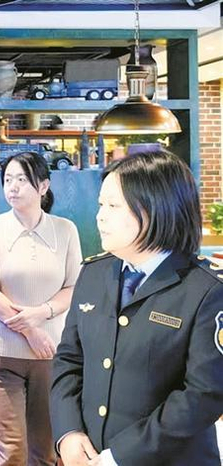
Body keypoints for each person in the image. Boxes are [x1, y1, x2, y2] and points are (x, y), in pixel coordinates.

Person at [51, 149, 223, 466]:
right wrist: (68, 432)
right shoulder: (94, 272)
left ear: (156, 207)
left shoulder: (207, 289)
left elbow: (204, 394)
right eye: (101, 205)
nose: (100, 216)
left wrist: (120, 456)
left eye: (113, 206)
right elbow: (69, 360)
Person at [0, 151, 82, 466]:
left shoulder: (65, 230)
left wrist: (42, 312)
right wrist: (30, 330)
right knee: (9, 452)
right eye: (8, 179)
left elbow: (73, 287)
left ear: (43, 186)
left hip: (51, 353)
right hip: (0, 354)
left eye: (22, 179)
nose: (13, 186)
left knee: (45, 451)